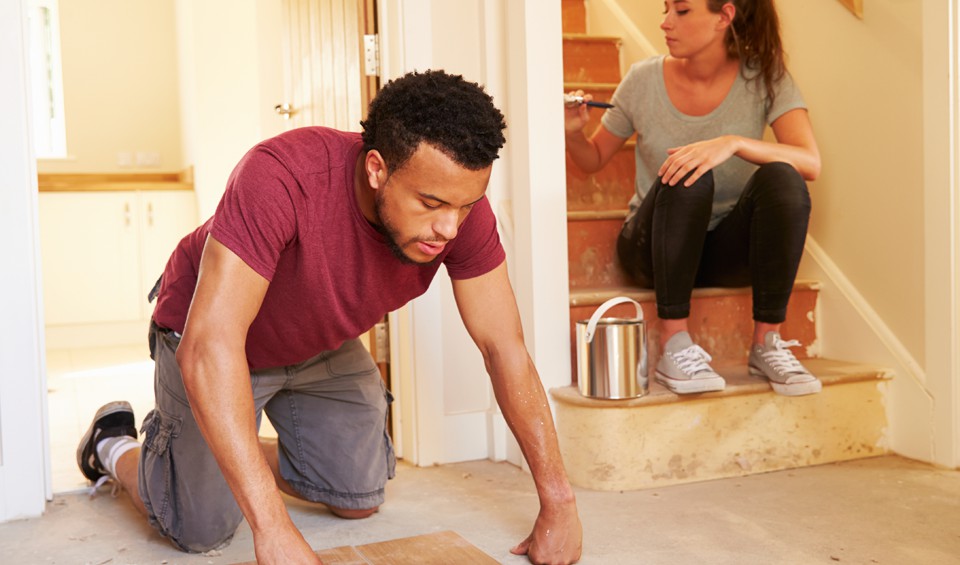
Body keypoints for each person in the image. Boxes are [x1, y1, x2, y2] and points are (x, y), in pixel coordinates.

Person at [76, 70, 582, 565]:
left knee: (356, 496)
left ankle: (227, 445)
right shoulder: (281, 176)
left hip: (313, 343)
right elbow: (212, 345)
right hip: (209, 335)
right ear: (377, 169)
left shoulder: (456, 210)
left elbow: (504, 347)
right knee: (198, 527)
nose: (449, 227)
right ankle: (114, 444)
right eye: (431, 204)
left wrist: (559, 502)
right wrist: (273, 528)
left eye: (466, 206)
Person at [564, 0, 822, 397]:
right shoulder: (642, 79)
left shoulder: (764, 77)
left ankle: (767, 343)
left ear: (724, 16)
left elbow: (809, 161)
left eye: (681, 11)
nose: (665, 23)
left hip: (724, 253)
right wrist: (573, 133)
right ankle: (674, 344)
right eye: (665, 9)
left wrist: (732, 143)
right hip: (653, 251)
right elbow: (594, 159)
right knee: (689, 170)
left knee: (784, 177)